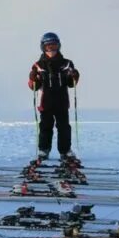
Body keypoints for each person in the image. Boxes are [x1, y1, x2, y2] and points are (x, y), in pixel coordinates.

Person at [28, 31, 79, 160]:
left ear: (58, 46)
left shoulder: (67, 63)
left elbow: (71, 84)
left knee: (64, 127)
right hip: (46, 102)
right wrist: (33, 78)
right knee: (45, 126)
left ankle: (65, 151)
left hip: (61, 101)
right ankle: (44, 150)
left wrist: (75, 76)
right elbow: (33, 86)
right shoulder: (38, 65)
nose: (51, 49)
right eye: (48, 47)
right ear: (43, 47)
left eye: (54, 46)